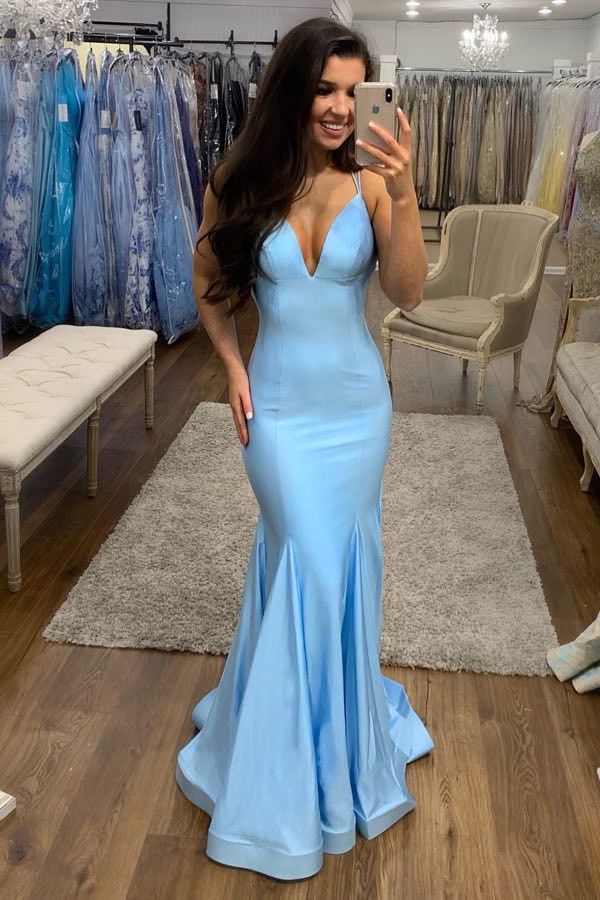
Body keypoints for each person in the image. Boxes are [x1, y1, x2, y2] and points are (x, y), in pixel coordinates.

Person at [175, 17, 434, 881]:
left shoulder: (373, 181)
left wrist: (403, 196)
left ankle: (331, 752)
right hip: (279, 411)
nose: (339, 107)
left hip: (358, 411)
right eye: (324, 88)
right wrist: (230, 364)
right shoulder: (240, 179)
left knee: (333, 567)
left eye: (352, 91)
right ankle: (286, 775)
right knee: (304, 562)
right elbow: (208, 285)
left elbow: (407, 292)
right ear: (292, 86)